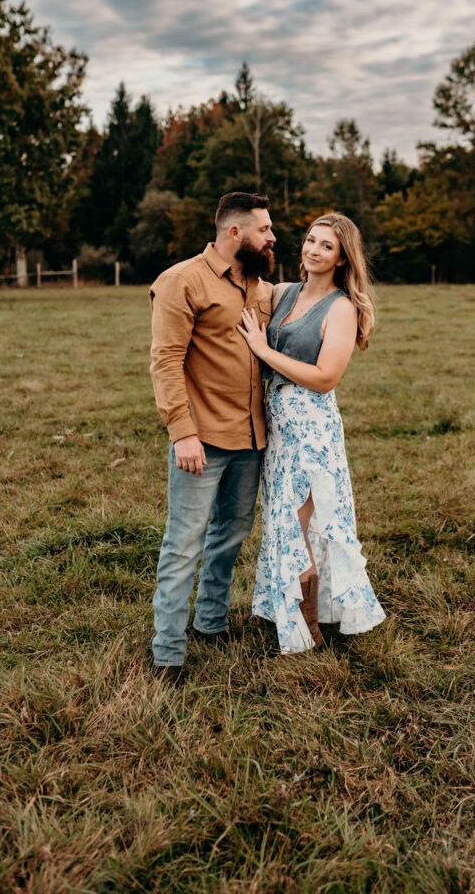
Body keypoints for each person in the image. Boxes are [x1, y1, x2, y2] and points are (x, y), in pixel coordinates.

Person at [237, 213, 385, 654]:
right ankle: (300, 614)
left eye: (326, 246)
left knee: (299, 523)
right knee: (285, 521)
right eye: (309, 240)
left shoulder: (341, 307)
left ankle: (308, 631)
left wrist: (264, 351)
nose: (313, 250)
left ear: (341, 259)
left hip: (311, 424)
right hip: (278, 422)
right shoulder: (284, 292)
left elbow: (325, 377)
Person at [149, 192, 276, 686]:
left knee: (231, 535)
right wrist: (182, 433)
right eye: (264, 229)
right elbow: (165, 361)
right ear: (234, 233)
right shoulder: (182, 281)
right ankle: (168, 654)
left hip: (251, 439)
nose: (272, 237)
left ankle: (211, 621)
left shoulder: (261, 289)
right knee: (184, 544)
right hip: (200, 440)